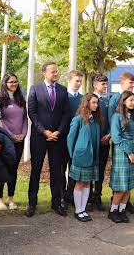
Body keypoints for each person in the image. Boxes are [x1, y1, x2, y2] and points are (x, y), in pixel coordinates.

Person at [26, 62, 70, 217]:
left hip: (57, 138)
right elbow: (32, 112)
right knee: (36, 170)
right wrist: (44, 131)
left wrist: (58, 131)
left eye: (57, 71)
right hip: (39, 137)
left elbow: (66, 114)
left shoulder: (63, 91)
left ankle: (56, 203)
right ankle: (32, 203)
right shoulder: (35, 89)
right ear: (44, 72)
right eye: (53, 71)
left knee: (57, 172)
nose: (56, 73)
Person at [108, 72, 134, 214]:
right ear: (123, 101)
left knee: (129, 184)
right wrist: (129, 153)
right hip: (123, 152)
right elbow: (116, 137)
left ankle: (122, 211)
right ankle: (113, 211)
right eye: (131, 101)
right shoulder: (117, 116)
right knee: (122, 186)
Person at [67, 93, 101, 222]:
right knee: (80, 183)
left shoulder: (95, 120)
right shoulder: (78, 119)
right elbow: (70, 138)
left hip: (93, 157)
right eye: (93, 102)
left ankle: (83, 209)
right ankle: (78, 211)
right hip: (81, 157)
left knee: (88, 183)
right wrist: (73, 154)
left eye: (97, 103)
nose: (96, 105)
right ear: (86, 103)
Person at [0, 73, 27, 210]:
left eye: (16, 81)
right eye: (11, 82)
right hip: (5, 139)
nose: (14, 84)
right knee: (3, 168)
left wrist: (23, 134)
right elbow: (0, 121)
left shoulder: (21, 99)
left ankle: (11, 198)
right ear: (5, 83)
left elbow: (25, 119)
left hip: (20, 140)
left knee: (13, 169)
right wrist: (11, 135)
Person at [62, 70, 83, 207]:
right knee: (61, 168)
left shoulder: (82, 99)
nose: (79, 83)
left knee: (74, 169)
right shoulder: (62, 96)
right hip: (63, 138)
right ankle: (61, 196)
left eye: (81, 81)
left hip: (78, 140)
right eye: (77, 80)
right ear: (69, 80)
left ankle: (70, 194)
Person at [90, 72, 110, 211]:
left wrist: (109, 135)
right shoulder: (88, 99)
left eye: (106, 84)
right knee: (90, 170)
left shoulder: (107, 101)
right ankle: (87, 198)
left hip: (105, 141)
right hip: (92, 142)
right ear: (95, 85)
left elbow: (111, 120)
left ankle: (97, 197)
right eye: (103, 84)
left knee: (101, 171)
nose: (105, 86)